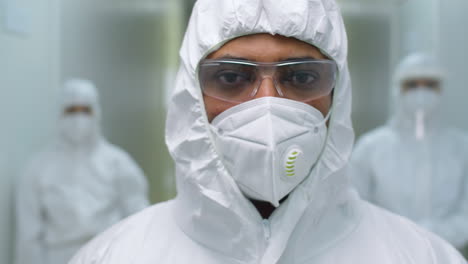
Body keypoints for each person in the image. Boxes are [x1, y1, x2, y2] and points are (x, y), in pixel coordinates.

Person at [70, 1, 466, 263]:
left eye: (302, 76)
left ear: (338, 94)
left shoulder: (422, 256)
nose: (267, 106)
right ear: (190, 95)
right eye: (230, 77)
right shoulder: (115, 256)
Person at [15, 79, 150, 264]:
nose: (79, 119)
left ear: (97, 113)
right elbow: (29, 237)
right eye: (71, 110)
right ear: (59, 114)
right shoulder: (38, 169)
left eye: (85, 110)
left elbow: (140, 220)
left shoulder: (118, 163)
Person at [350, 53, 468, 250]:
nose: (421, 92)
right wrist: (396, 237)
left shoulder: (462, 146)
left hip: (445, 254)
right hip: (385, 254)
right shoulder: (371, 147)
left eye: (430, 85)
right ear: (397, 90)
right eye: (412, 85)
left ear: (442, 90)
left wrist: (434, 234)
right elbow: (353, 208)